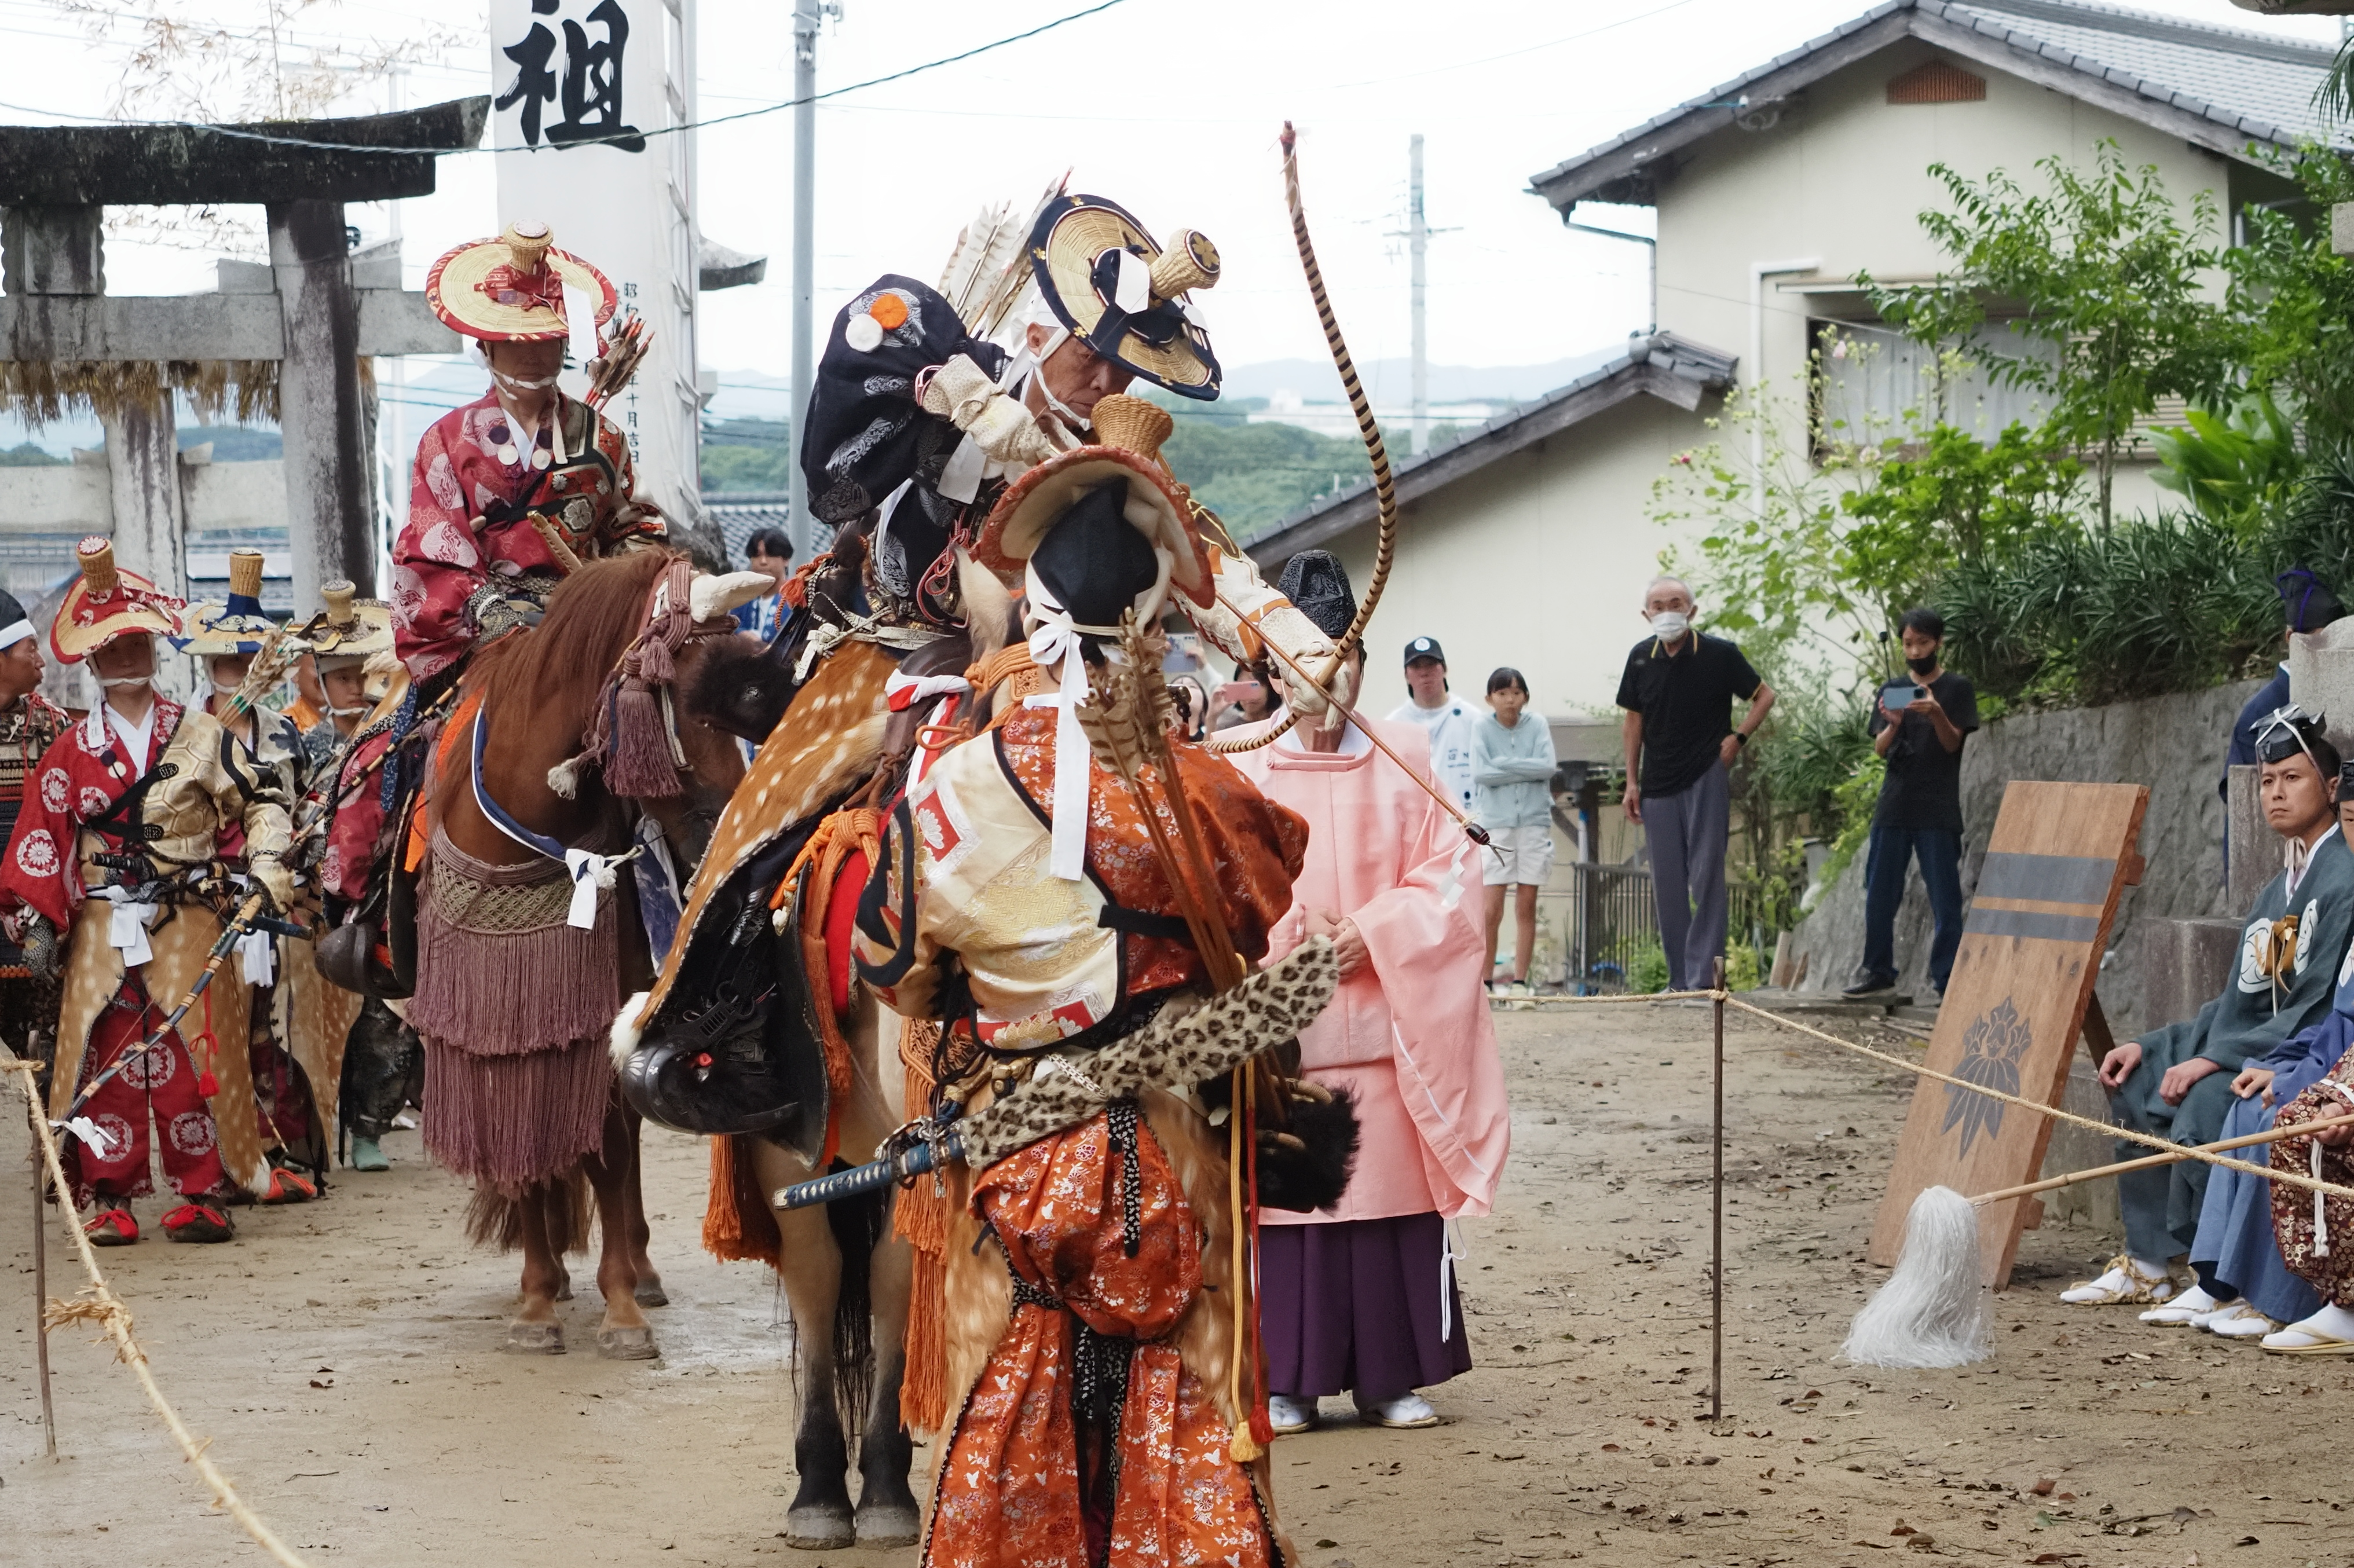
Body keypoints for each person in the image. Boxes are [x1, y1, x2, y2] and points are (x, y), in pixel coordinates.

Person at [852, 405, 1316, 1567]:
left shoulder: (946, 791)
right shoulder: (1212, 791)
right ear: (1156, 622)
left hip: (1012, 1140)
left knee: (1004, 1387)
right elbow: (1255, 916)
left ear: (1034, 615)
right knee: (1193, 1387)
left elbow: (896, 972)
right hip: (1176, 1141)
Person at [1231, 551, 1510, 1434]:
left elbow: (1452, 877)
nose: (1324, 678)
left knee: (1388, 1203)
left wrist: (1373, 931)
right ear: (1273, 669)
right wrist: (1289, 938)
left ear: (1359, 663)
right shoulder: (1245, 764)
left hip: (1389, 1021)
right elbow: (1222, 886)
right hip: (1287, 1029)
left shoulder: (1408, 756)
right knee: (1290, 1199)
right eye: (1302, 660)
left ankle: (1391, 1376)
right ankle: (1286, 1380)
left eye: (1340, 657)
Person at [0, 538, 294, 1244]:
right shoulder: (68, 750)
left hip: (188, 914)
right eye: (110, 643)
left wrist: (266, 866)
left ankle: (203, 1189)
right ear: (91, 658)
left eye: (135, 638)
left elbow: (262, 800)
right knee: (109, 1060)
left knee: (197, 1054)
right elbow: (40, 841)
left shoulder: (202, 733)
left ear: (155, 647)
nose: (125, 651)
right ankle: (110, 1194)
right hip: (103, 925)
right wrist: (35, 921)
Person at [2064, 706, 2353, 1307]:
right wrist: (2155, 1045)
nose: (2275, 793)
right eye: (2267, 781)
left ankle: (2216, 1275)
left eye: (2292, 778)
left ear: (2331, 788)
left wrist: (2213, 1060)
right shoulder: (2277, 888)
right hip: (2249, 1044)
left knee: (2203, 1101)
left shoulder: (2344, 878)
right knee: (2134, 1077)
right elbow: (2236, 1001)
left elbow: (2316, 1005)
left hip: (2296, 1055)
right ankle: (2148, 1263)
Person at [390, 222, 665, 684]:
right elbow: (430, 547)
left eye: (547, 340)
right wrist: (486, 607)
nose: (534, 355)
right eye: (517, 343)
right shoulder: (447, 439)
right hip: (483, 627)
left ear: (565, 344)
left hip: (586, 624)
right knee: (424, 726)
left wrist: (616, 586)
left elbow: (634, 529)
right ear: (486, 347)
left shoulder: (604, 438)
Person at [2162, 774, 2354, 1340]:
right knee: (2249, 1103)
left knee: (2289, 1120)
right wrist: (2284, 1063)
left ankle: (2287, 1298)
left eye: (2290, 776)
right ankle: (2222, 1280)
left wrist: (2318, 1086)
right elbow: (2338, 1019)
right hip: (2335, 1057)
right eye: (2352, 822)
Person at [172, 547, 323, 1205]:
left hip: (274, 894)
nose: (238, 670)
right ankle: (221, 1155)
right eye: (227, 660)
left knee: (273, 1023)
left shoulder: (286, 733)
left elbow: (309, 806)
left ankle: (282, 1146)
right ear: (209, 664)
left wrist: (298, 871)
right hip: (200, 895)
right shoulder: (184, 733)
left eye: (248, 658)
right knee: (214, 1025)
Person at [1616, 576, 1774, 992]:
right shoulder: (1640, 658)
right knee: (1667, 885)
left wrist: (1738, 739)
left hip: (1706, 773)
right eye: (1658, 605)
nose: (1668, 611)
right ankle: (1679, 982)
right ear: (1646, 614)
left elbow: (1764, 696)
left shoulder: (1720, 653)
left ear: (1692, 610)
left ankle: (1704, 980)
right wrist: (1631, 781)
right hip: (1657, 783)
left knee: (1706, 877)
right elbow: (1632, 722)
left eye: (1676, 603)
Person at [1843, 608, 1980, 1002]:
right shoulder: (1893, 688)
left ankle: (1947, 978)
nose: (1915, 651)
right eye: (1908, 643)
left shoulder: (1957, 688)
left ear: (1938, 643)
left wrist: (1936, 712)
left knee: (1945, 897)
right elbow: (1880, 749)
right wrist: (1893, 724)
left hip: (1937, 806)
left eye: (1922, 643)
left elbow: (1952, 744)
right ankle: (1878, 970)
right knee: (1879, 893)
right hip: (1894, 804)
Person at [0, 588, 69, 1061]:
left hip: (36, 912)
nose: (41, 660)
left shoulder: (54, 727)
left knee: (43, 1053)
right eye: (31, 649)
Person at [1474, 668, 1557, 994]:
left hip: (1534, 822)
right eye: (1502, 693)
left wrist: (1504, 762)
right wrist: (1525, 767)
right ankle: (1486, 982)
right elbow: (1481, 773)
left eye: (1516, 693)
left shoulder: (1537, 724)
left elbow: (1547, 767)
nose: (1510, 699)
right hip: (1497, 825)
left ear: (1525, 697)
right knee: (1490, 910)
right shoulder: (1482, 727)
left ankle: (1520, 983)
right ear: (1489, 698)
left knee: (1527, 905)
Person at [1386, 635, 1477, 814]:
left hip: (1465, 818)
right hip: (1415, 819)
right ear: (1406, 675)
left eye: (1430, 665)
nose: (1424, 673)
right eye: (1416, 666)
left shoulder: (1472, 719)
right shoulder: (1393, 726)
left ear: (1444, 669)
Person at [733, 525, 794, 642]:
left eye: (770, 555)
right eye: (757, 555)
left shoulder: (796, 600)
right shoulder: (741, 598)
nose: (763, 561)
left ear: (786, 560)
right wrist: (741, 634)